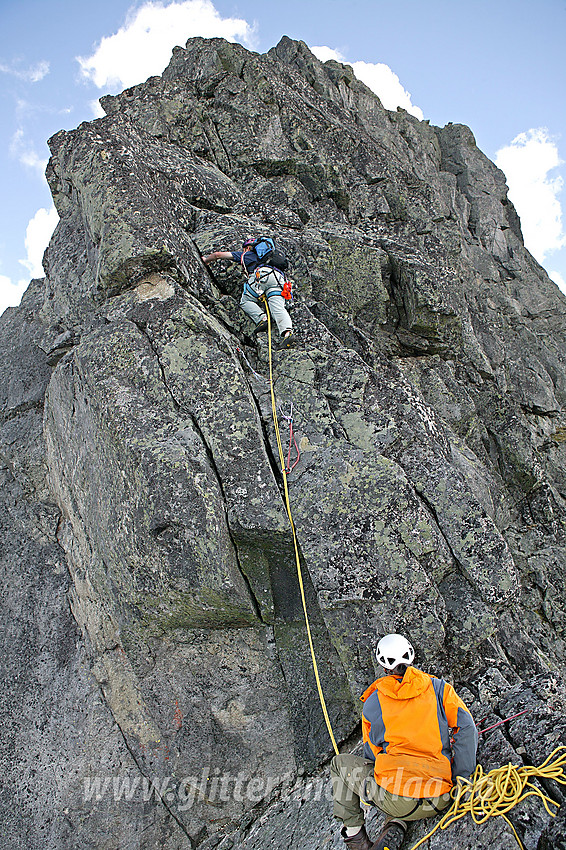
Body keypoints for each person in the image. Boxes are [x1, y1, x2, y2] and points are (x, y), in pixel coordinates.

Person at [330, 634, 478, 850]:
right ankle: (396, 825)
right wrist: (462, 776)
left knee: (339, 764)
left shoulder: (373, 703)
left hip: (398, 798)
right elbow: (466, 728)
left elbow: (371, 755)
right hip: (441, 797)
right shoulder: (439, 688)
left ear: (383, 665)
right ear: (410, 656)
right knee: (397, 789)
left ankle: (357, 840)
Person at [202, 236, 293, 348]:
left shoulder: (248, 255)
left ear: (248, 248)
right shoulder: (271, 258)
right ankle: (287, 333)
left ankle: (262, 319)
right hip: (279, 279)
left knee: (246, 301)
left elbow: (218, 255)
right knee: (278, 307)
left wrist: (206, 260)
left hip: (262, 275)